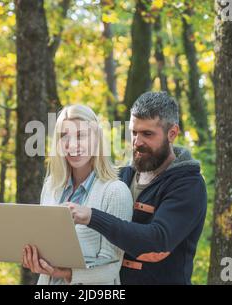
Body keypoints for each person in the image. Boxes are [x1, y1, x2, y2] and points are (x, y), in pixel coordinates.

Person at [67, 92, 207, 284]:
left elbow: (157, 242)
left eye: (147, 134)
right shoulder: (122, 175)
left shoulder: (189, 185)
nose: (137, 142)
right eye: (134, 132)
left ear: (172, 133)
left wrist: (92, 217)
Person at [22, 104, 133, 285]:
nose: (72, 145)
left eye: (81, 135)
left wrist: (66, 273)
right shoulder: (52, 187)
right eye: (64, 136)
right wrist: (35, 259)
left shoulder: (115, 192)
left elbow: (111, 268)